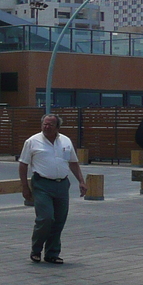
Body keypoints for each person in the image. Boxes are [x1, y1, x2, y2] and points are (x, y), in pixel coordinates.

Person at [18, 113, 87, 265]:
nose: (47, 127)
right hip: (42, 184)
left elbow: (73, 162)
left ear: (57, 127)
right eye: (44, 124)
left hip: (62, 184)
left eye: (50, 124)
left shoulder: (65, 141)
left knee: (59, 220)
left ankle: (52, 253)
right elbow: (23, 165)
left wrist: (81, 181)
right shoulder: (32, 141)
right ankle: (36, 250)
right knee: (46, 218)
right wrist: (25, 187)